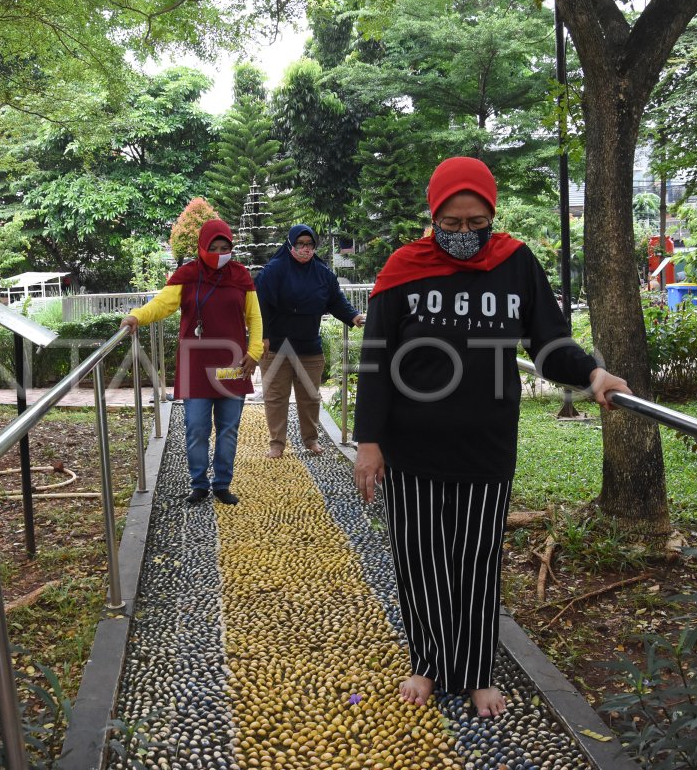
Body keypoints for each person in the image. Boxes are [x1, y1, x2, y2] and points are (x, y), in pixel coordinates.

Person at [351, 157, 631, 718]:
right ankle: (428, 662)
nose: (462, 234)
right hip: (413, 447)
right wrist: (368, 441)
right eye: (450, 224)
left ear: (490, 216)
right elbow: (376, 360)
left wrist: (594, 373)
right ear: (433, 217)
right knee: (422, 559)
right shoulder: (404, 268)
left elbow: (549, 341)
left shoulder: (515, 263)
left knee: (476, 559)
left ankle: (477, 670)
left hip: (487, 447)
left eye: (474, 222)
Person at [121, 219, 262, 505]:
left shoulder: (240, 276)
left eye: (225, 248)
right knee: (196, 426)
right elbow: (162, 304)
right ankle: (199, 483)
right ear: (201, 247)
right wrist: (137, 316)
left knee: (228, 427)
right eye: (214, 247)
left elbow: (255, 317)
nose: (220, 253)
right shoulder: (187, 274)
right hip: (196, 365)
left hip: (232, 364)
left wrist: (255, 350)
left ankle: (222, 484)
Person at [253, 224, 364, 458]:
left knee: (311, 397)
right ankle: (276, 443)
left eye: (309, 244)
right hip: (276, 346)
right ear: (290, 244)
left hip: (308, 346)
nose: (305, 249)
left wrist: (353, 316)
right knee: (275, 397)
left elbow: (336, 301)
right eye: (300, 244)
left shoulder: (322, 273)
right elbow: (259, 306)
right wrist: (261, 337)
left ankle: (311, 439)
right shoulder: (273, 271)